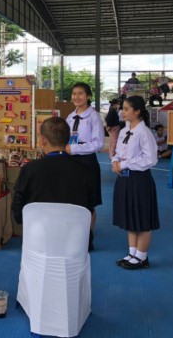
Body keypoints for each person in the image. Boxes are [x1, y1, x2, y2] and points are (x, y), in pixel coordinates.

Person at [12, 117, 93, 238]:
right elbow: (89, 209)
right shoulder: (85, 171)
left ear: (43, 140)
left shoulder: (29, 169)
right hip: (74, 240)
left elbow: (18, 211)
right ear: (68, 139)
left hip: (37, 239)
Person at [112, 96, 159, 270]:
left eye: (126, 109)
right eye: (122, 108)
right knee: (130, 216)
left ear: (137, 111)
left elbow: (150, 159)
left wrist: (124, 164)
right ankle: (132, 253)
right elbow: (118, 152)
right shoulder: (124, 131)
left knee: (142, 218)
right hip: (124, 178)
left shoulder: (144, 132)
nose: (122, 112)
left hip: (139, 180)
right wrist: (115, 162)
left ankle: (142, 256)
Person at [65, 82, 105, 250]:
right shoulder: (70, 116)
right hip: (70, 162)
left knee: (88, 202)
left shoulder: (94, 116)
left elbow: (98, 143)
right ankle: (73, 234)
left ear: (88, 96)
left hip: (87, 162)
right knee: (72, 199)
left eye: (80, 93)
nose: (76, 97)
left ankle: (87, 238)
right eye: (74, 93)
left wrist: (74, 148)